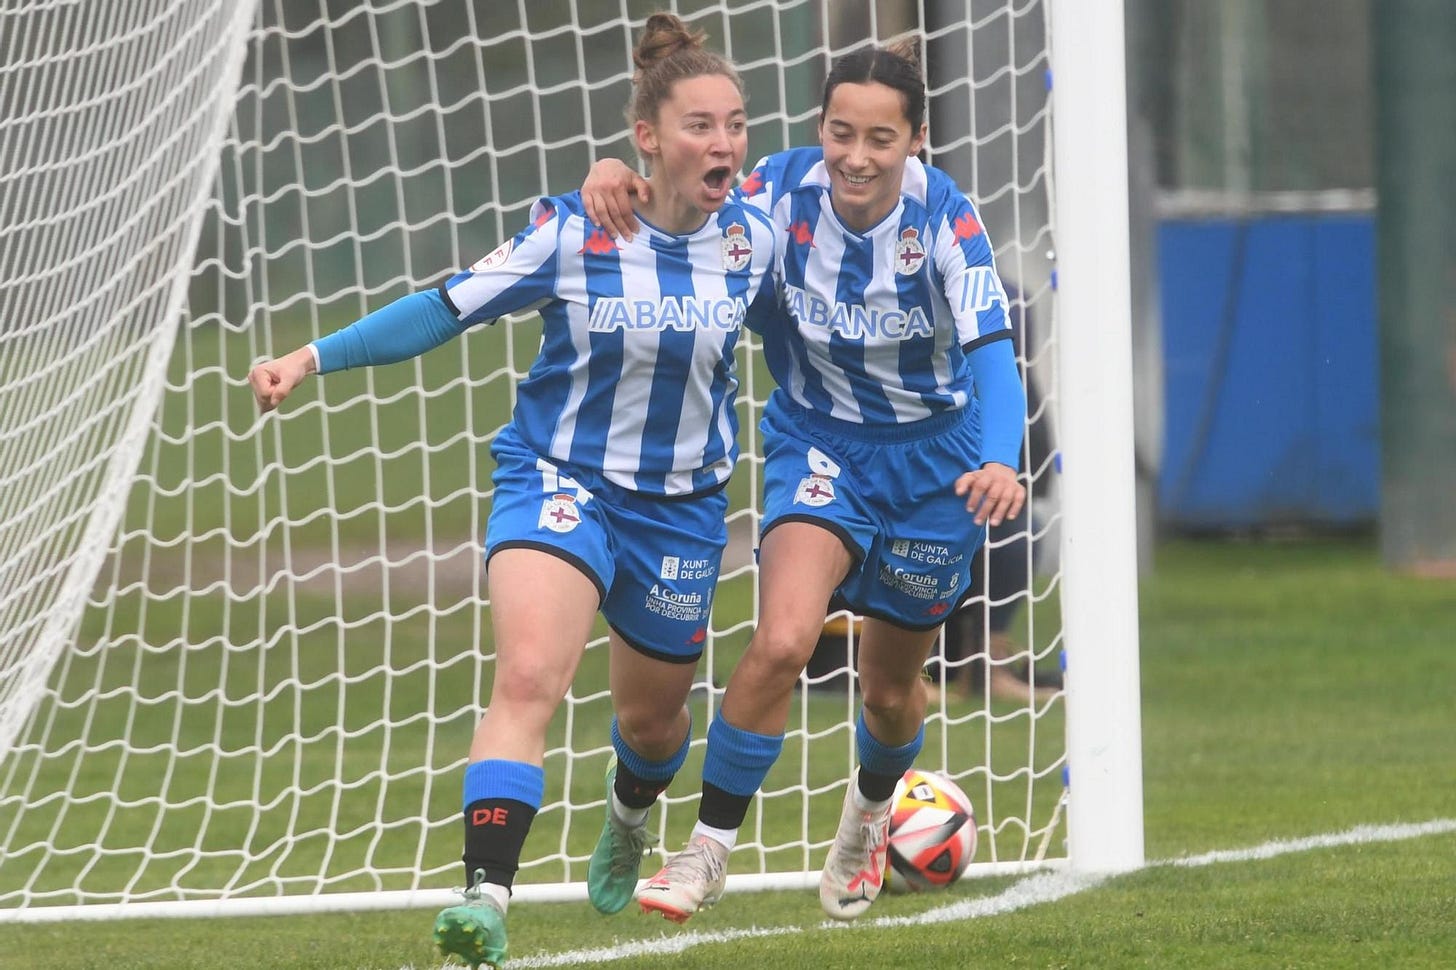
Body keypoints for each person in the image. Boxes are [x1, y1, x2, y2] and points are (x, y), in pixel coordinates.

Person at [247, 14, 774, 968]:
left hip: (683, 511)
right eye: (700, 124)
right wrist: (309, 358)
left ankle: (627, 812)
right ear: (648, 139)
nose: (726, 143)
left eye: (736, 123)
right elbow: (444, 307)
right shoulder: (572, 230)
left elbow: (846, 209)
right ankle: (486, 892)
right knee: (530, 674)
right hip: (558, 479)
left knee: (653, 725)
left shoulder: (757, 234)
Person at [581, 39, 1027, 924]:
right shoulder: (777, 193)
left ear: (917, 140)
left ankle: (867, 819)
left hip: (938, 462)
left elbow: (993, 354)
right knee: (784, 638)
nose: (856, 157)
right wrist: (613, 171)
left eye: (881, 139)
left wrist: (1002, 457)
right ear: (818, 127)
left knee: (892, 691)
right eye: (840, 133)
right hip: (817, 443)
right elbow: (675, 196)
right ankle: (706, 852)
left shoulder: (946, 219)